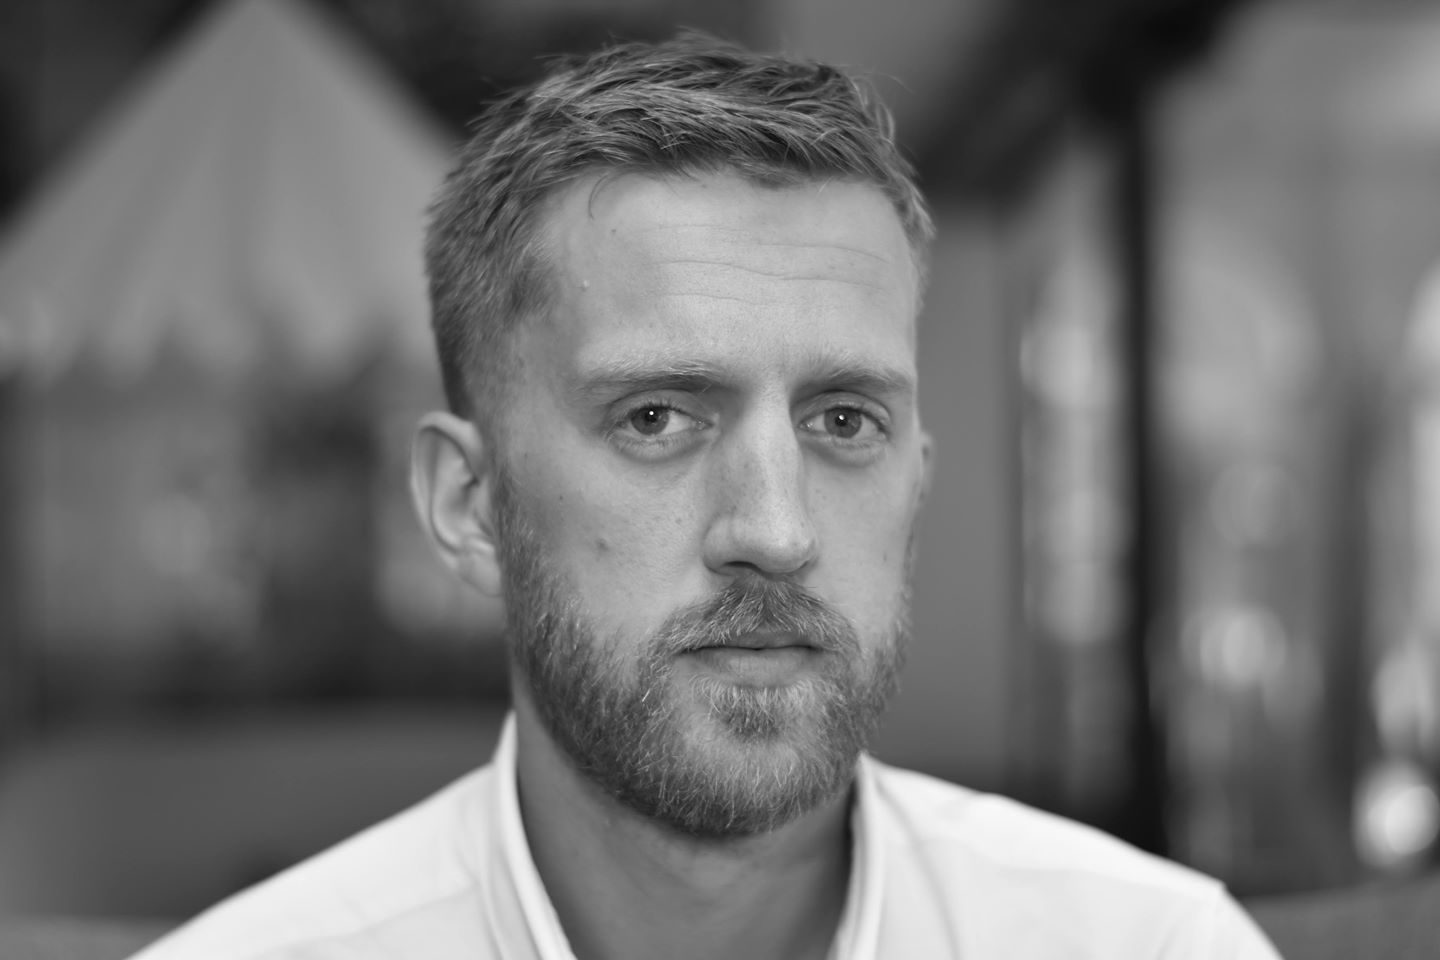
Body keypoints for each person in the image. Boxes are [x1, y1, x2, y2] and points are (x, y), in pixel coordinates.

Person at [132, 34, 1282, 960]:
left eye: (844, 421)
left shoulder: (1154, 944)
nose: (775, 533)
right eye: (656, 419)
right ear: (468, 501)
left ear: (916, 485)